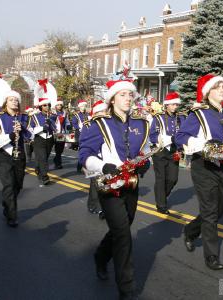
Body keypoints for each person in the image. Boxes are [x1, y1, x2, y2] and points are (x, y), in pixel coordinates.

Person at [79, 80, 150, 300]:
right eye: (122, 94)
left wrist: (144, 163)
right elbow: (85, 155)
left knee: (122, 227)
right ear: (112, 99)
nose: (128, 98)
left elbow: (145, 150)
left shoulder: (142, 124)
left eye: (130, 94)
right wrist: (103, 166)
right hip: (109, 185)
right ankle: (126, 288)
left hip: (131, 184)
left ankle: (101, 256)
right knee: (123, 234)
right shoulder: (97, 124)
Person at [175, 74, 223, 270]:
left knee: (220, 208)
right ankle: (211, 256)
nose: (222, 90)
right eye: (217, 87)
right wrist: (204, 144)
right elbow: (181, 137)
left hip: (221, 165)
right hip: (203, 165)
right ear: (208, 92)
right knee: (210, 211)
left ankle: (191, 230)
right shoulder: (199, 113)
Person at [0, 90, 31, 227]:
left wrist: (23, 129)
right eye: (11, 99)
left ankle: (7, 203)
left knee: (18, 185)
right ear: (6, 102)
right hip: (3, 155)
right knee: (9, 185)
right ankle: (12, 216)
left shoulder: (23, 117)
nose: (14, 101)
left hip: (19, 154)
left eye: (16, 100)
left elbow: (30, 136)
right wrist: (10, 136)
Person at [149, 92, 186, 214]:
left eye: (176, 104)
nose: (175, 106)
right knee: (161, 178)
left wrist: (182, 148)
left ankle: (161, 197)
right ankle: (161, 205)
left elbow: (182, 134)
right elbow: (152, 135)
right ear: (167, 105)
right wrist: (160, 140)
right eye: (173, 104)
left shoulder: (180, 118)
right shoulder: (158, 117)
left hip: (174, 151)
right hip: (160, 151)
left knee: (173, 179)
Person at [85, 100, 108, 216]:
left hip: (105, 158)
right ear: (96, 113)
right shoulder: (88, 125)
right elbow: (84, 144)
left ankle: (93, 205)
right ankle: (99, 208)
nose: (105, 113)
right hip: (93, 158)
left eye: (106, 111)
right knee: (96, 184)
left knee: (101, 184)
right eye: (102, 111)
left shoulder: (108, 125)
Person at [29, 95, 56, 187]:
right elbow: (30, 129)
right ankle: (45, 177)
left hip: (49, 139)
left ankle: (38, 168)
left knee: (45, 157)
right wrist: (41, 128)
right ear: (41, 106)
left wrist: (52, 125)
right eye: (44, 105)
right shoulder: (34, 117)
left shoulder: (53, 116)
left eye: (48, 105)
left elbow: (56, 128)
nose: (47, 106)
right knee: (43, 158)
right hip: (39, 139)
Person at [72, 99, 90, 172]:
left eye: (84, 106)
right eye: (82, 106)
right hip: (80, 134)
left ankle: (85, 166)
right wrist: (80, 127)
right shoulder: (76, 116)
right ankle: (80, 166)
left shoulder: (88, 115)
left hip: (88, 134)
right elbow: (74, 124)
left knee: (88, 151)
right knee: (82, 150)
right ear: (79, 107)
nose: (83, 107)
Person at [53, 99, 70, 169]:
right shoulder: (52, 112)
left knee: (60, 149)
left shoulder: (64, 113)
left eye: (60, 105)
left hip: (61, 132)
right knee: (49, 148)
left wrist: (68, 126)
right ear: (55, 105)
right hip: (53, 132)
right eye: (58, 105)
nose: (59, 106)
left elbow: (67, 121)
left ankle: (57, 162)